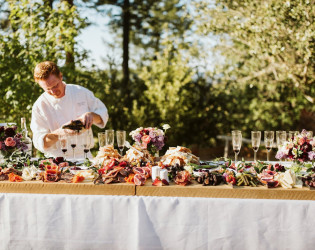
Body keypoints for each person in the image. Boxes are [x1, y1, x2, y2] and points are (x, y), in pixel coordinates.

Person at [30, 61, 108, 159]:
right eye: (48, 89)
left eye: (55, 86)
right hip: (57, 160)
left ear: (61, 76)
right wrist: (61, 132)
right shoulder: (39, 105)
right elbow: (40, 142)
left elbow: (102, 115)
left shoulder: (80, 92)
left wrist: (92, 116)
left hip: (85, 157)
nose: (53, 91)